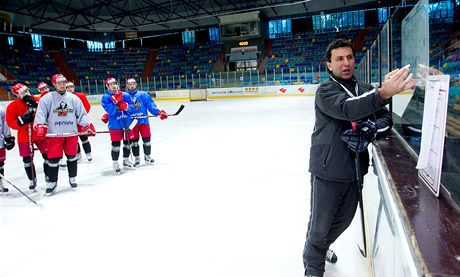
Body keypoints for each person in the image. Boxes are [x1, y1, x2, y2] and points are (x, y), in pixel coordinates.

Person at [303, 39, 413, 277]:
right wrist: (382, 93)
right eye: (339, 59)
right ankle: (313, 269)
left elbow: (385, 119)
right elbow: (347, 109)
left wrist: (370, 128)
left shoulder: (364, 88)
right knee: (319, 229)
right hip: (328, 170)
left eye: (350, 57)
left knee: (343, 221)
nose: (346, 63)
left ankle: (319, 249)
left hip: (354, 170)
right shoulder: (325, 91)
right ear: (329, 65)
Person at [33, 74, 95, 193]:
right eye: (59, 83)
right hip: (54, 134)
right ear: (54, 84)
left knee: (72, 157)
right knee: (53, 159)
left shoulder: (73, 98)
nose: (62, 85)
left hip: (71, 133)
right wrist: (40, 126)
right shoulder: (47, 98)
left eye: (63, 82)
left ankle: (72, 178)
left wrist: (86, 125)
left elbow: (81, 114)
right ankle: (52, 181)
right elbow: (40, 114)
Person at [6, 83, 49, 190]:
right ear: (17, 95)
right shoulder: (13, 106)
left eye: (27, 90)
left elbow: (48, 110)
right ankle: (32, 179)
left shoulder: (37, 99)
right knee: (27, 159)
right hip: (24, 134)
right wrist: (22, 121)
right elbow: (11, 122)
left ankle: (48, 175)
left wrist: (36, 105)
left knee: (48, 155)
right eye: (22, 92)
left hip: (39, 131)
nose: (26, 93)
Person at [125, 78, 168, 166]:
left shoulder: (143, 94)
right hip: (132, 123)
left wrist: (158, 112)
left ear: (136, 84)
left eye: (133, 83)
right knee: (134, 142)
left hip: (143, 121)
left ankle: (147, 156)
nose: (132, 85)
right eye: (129, 84)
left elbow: (151, 105)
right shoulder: (125, 96)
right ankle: (137, 157)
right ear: (127, 85)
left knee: (147, 140)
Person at [101, 77, 134, 174]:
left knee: (127, 143)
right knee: (116, 145)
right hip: (115, 125)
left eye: (115, 83)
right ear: (107, 86)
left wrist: (126, 106)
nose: (114, 86)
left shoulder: (125, 95)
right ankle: (115, 163)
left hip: (126, 123)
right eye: (111, 84)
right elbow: (110, 111)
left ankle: (126, 159)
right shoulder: (106, 97)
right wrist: (116, 103)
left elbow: (132, 108)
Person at [66, 81, 93, 162]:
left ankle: (88, 153)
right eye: (68, 87)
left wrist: (81, 116)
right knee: (74, 139)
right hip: (70, 122)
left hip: (81, 121)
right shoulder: (63, 97)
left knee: (84, 138)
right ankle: (78, 154)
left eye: (71, 87)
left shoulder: (80, 95)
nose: (70, 89)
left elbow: (87, 106)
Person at [0, 106, 15, 192]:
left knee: (0, 163)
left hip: (0, 142)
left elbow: (5, 124)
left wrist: (8, 137)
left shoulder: (1, 109)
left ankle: (0, 182)